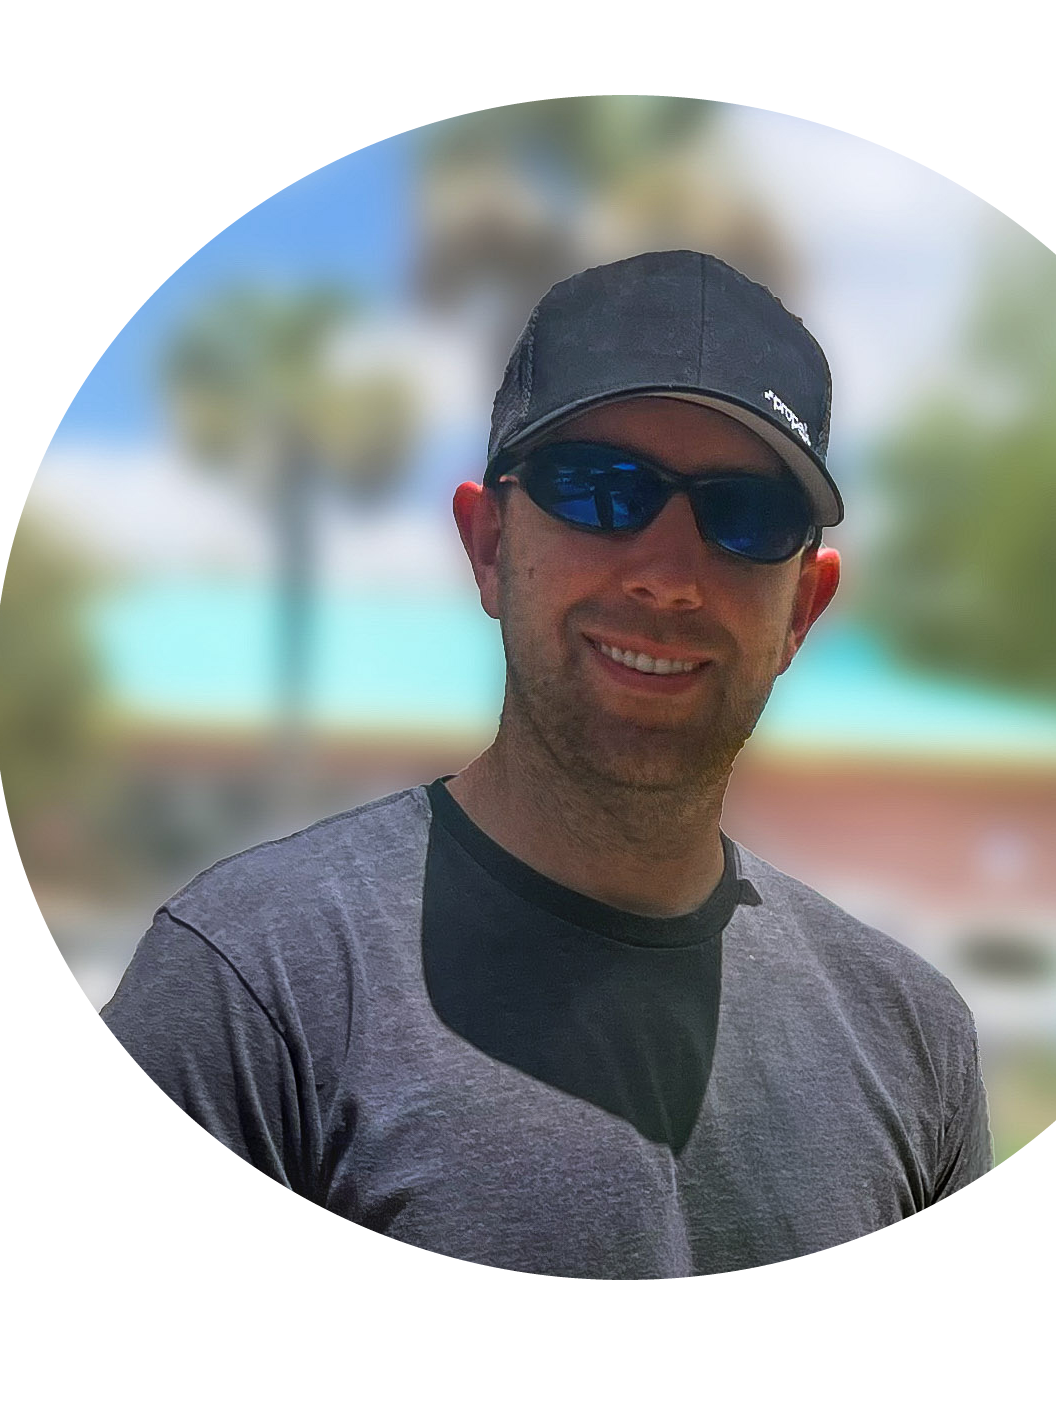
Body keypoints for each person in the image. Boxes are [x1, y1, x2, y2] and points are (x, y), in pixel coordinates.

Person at [100, 249, 993, 1277]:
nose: (667, 577)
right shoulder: (255, 991)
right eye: (601, 489)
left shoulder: (914, 1040)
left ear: (801, 609)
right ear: (486, 546)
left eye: (745, 515)